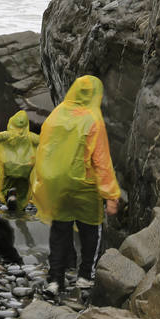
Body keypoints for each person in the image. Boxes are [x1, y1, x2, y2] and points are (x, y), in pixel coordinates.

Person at [30, 75, 121, 295]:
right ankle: (84, 277)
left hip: (59, 185)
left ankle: (55, 280)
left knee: (60, 232)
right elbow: (101, 161)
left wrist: (44, 181)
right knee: (91, 231)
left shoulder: (56, 115)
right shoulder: (93, 120)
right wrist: (111, 194)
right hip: (85, 186)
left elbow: (45, 148)